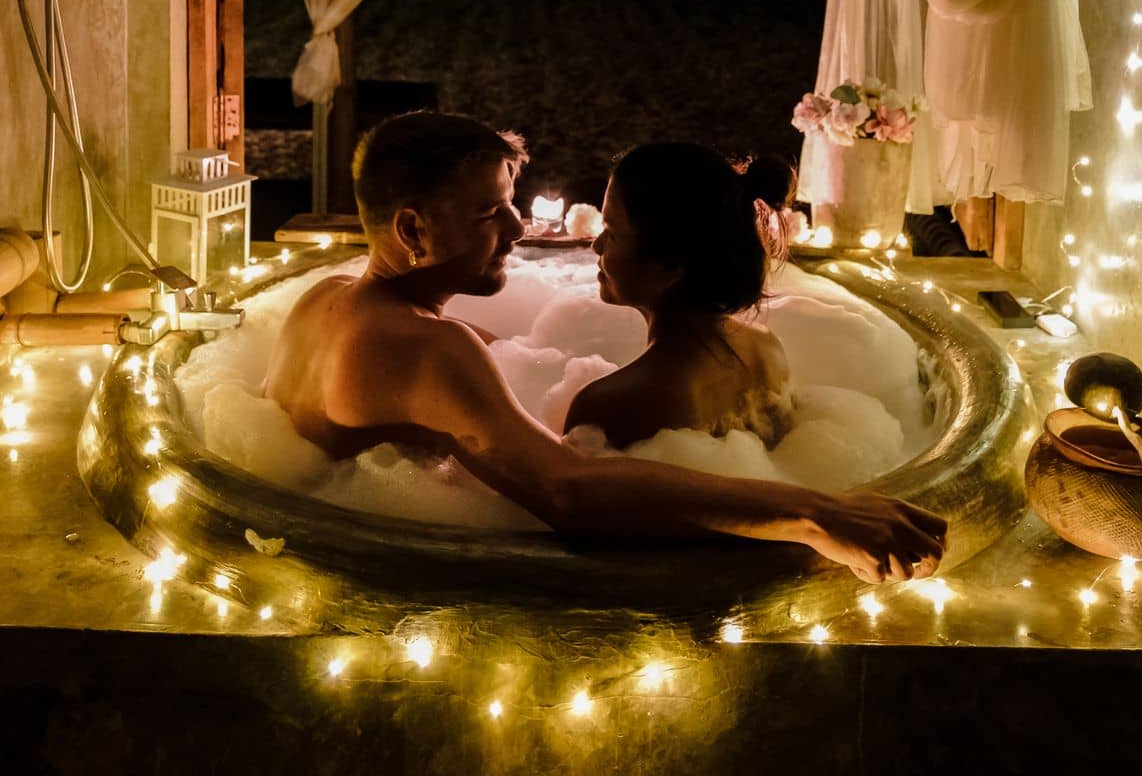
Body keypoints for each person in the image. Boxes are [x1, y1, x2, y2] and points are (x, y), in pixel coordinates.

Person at [264, 111, 946, 584]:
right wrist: (815, 512)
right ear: (412, 229)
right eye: (487, 212)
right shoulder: (427, 349)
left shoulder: (322, 303)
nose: (514, 227)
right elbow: (569, 492)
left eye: (510, 201)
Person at [563, 143, 795, 448]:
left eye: (613, 231)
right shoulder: (766, 350)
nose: (597, 245)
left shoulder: (612, 404)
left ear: (669, 266)